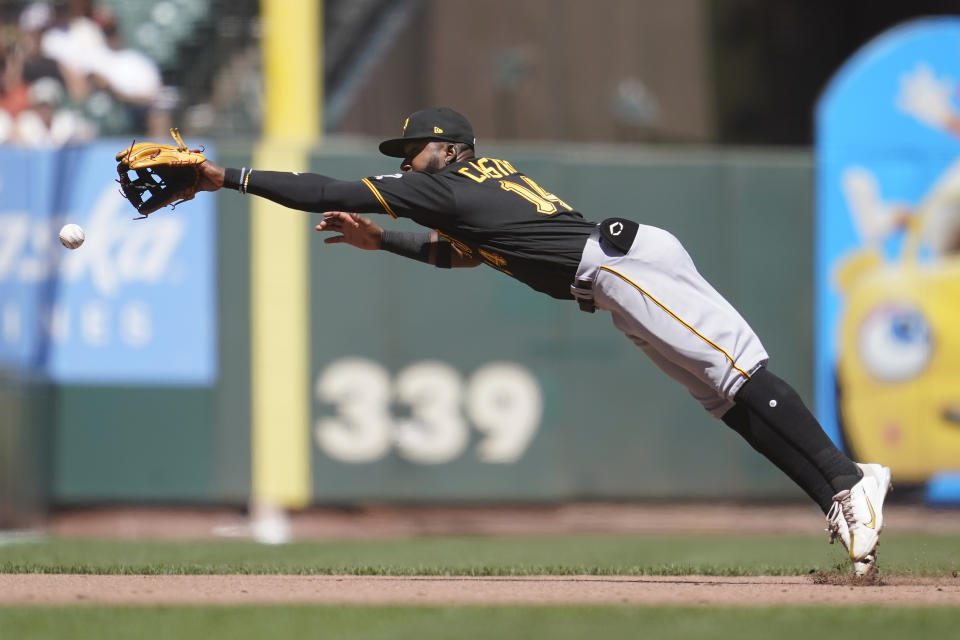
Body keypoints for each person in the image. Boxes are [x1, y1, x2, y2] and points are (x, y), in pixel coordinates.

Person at [196, 106, 892, 577]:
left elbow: (323, 189)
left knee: (737, 375)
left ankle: (845, 481)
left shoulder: (447, 187)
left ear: (449, 147)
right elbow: (463, 256)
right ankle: (843, 492)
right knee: (724, 398)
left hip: (620, 266)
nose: (407, 164)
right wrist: (384, 243)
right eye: (404, 156)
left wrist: (224, 177)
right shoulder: (475, 187)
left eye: (414, 151)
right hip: (615, 272)